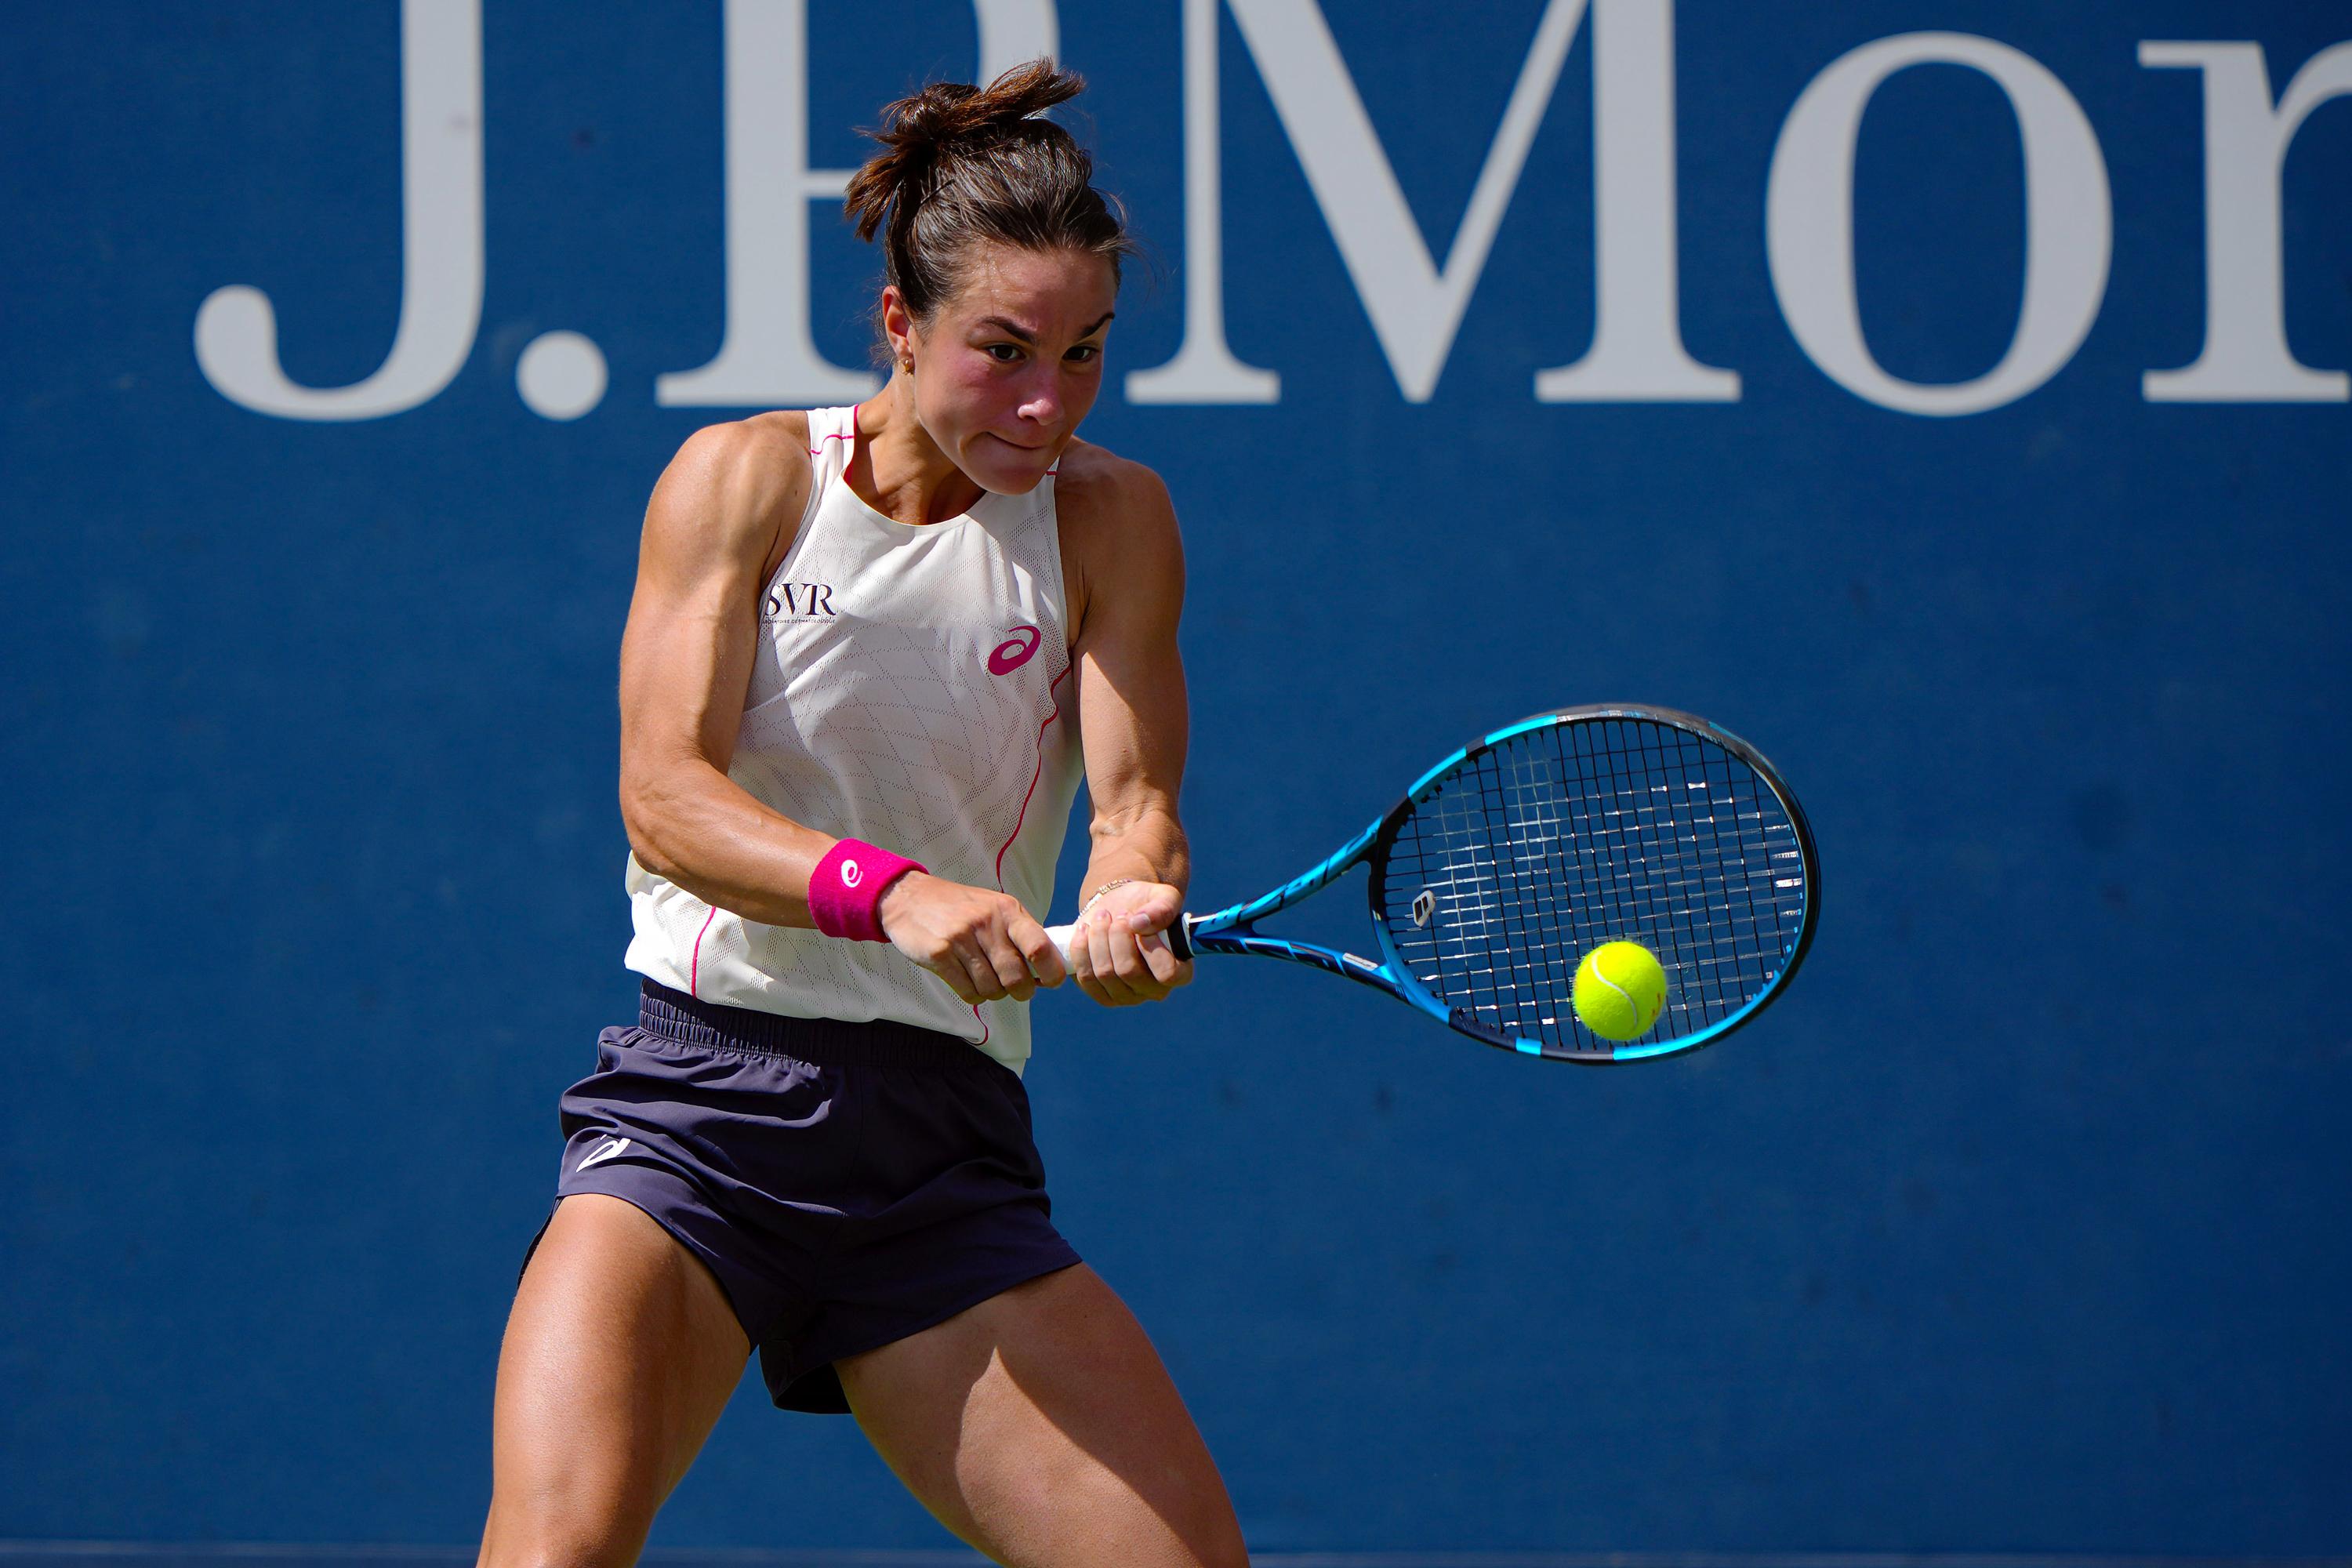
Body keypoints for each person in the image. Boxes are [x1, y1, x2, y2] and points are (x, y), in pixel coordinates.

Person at [476, 60, 1249, 1568]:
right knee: (555, 1550)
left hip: (939, 1155)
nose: (1046, 401)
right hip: (700, 1114)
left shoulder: (1113, 518)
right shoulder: (746, 481)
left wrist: (1133, 891)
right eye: (1002, 351)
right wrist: (894, 894)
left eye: (1084, 354)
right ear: (901, 322)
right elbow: (664, 798)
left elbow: (1135, 801)